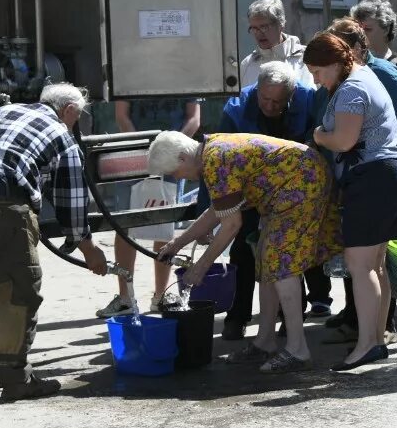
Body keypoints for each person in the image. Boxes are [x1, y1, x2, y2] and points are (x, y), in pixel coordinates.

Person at [0, 83, 108, 401]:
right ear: (68, 111)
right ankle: (15, 379)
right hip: (7, 204)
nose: (74, 125)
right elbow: (73, 205)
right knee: (13, 286)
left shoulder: (2, 111)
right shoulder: (63, 136)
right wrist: (90, 250)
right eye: (75, 118)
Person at [152, 131, 341, 374]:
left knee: (281, 263)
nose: (178, 178)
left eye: (173, 173)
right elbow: (217, 211)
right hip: (295, 183)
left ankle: (298, 350)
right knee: (265, 258)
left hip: (301, 184)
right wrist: (177, 244)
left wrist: (200, 268)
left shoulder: (214, 159)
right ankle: (265, 341)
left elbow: (231, 225)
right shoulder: (211, 151)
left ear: (181, 158)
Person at [305, 33, 397, 371]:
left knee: (360, 265)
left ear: (336, 64)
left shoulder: (351, 88)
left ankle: (367, 344)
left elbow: (344, 140)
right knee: (375, 263)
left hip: (373, 179)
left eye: (318, 71)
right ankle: (376, 339)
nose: (316, 79)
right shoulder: (366, 75)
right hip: (387, 176)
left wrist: (319, 135)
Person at [321, 19, 397, 343]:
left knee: (370, 261)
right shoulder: (346, 79)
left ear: (355, 48)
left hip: (378, 180)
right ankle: (363, 327)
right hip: (356, 180)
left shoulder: (380, 76)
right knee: (365, 263)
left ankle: (378, 331)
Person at [210, 62, 320, 341]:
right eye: (265, 99)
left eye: (278, 101)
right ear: (256, 90)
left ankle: (291, 316)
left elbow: (319, 141)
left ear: (291, 96)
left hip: (293, 191)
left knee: (290, 252)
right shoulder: (236, 108)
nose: (270, 106)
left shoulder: (308, 100)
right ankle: (238, 316)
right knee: (243, 250)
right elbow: (221, 163)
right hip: (249, 190)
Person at [95, 97, 201, 319]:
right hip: (134, 154)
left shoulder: (184, 73)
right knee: (124, 225)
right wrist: (144, 151)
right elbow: (122, 115)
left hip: (172, 156)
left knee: (164, 225)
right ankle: (125, 297)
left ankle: (161, 296)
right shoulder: (131, 70)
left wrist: (173, 153)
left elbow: (194, 118)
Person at [239, 0, 314, 88]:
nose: (258, 33)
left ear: (281, 24)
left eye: (264, 27)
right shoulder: (247, 65)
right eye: (254, 28)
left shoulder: (307, 58)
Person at [350, 0, 397, 77]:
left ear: (385, 30)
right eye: (357, 28)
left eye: (367, 29)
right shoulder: (349, 63)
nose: (360, 33)